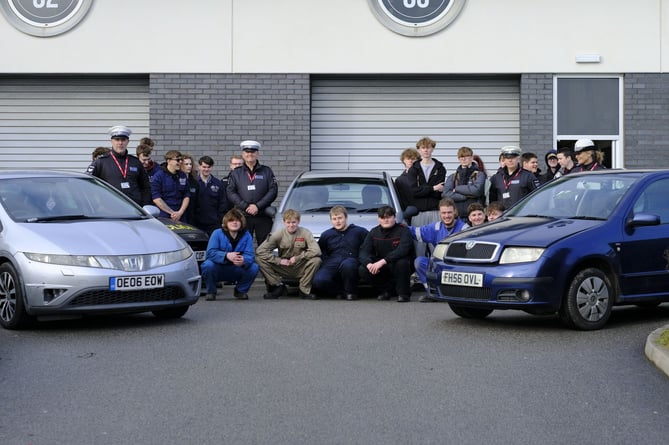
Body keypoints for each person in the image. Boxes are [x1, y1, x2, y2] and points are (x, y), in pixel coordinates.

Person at [409, 198, 468, 302]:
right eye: (443, 213)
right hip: (439, 266)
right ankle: (432, 292)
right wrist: (398, 225)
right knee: (419, 262)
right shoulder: (435, 227)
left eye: (449, 212)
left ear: (455, 211)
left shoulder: (464, 228)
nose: (446, 216)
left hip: (458, 267)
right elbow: (416, 232)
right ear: (439, 213)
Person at [256, 209, 322, 300]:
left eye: (294, 222)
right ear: (284, 222)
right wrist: (279, 261)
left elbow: (317, 250)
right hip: (283, 266)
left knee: (316, 260)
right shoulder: (278, 234)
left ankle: (304, 290)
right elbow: (260, 251)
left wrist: (298, 258)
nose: (291, 225)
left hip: (300, 265)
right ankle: (278, 286)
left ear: (298, 221)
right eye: (288, 222)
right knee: (259, 259)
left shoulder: (305, 233)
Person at [200, 208, 259, 301]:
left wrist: (244, 260)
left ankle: (240, 291)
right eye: (231, 220)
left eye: (237, 220)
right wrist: (226, 255)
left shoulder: (247, 235)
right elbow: (210, 253)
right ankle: (211, 291)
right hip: (219, 268)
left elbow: (250, 255)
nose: (234, 223)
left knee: (254, 267)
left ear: (241, 222)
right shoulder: (217, 233)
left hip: (237, 268)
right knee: (207, 265)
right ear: (226, 222)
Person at [312, 206, 369, 300]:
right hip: (332, 262)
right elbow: (321, 251)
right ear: (331, 220)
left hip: (352, 260)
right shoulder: (327, 234)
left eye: (340, 218)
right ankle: (340, 291)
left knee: (348, 265)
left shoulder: (359, 231)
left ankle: (351, 292)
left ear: (346, 217)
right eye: (334, 219)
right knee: (319, 281)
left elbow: (367, 247)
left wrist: (363, 259)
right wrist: (326, 262)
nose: (337, 221)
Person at [358, 206, 414, 303]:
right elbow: (363, 251)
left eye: (388, 217)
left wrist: (383, 261)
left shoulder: (403, 230)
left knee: (402, 263)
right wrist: (368, 264)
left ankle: (403, 294)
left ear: (394, 217)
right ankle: (386, 291)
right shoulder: (374, 232)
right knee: (363, 269)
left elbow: (403, 250)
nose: (385, 220)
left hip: (397, 264)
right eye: (382, 218)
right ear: (378, 219)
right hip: (382, 266)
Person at [227, 140, 278, 244]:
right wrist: (246, 206)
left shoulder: (266, 171)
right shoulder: (236, 173)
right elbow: (231, 192)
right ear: (243, 154)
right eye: (247, 152)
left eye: (253, 152)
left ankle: (262, 261)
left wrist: (257, 206)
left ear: (257, 154)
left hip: (263, 215)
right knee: (242, 245)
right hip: (243, 216)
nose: (250, 154)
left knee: (265, 246)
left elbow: (273, 191)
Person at [86, 125, 152, 206]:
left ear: (128, 141)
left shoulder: (135, 162)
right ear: (112, 141)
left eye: (123, 140)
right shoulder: (101, 162)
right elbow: (87, 184)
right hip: (111, 209)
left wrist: (144, 206)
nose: (120, 143)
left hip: (135, 209)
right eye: (117, 139)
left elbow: (145, 187)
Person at [407, 137, 447, 257]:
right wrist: (432, 188)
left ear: (432, 149)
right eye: (423, 148)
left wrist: (424, 190)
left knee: (437, 246)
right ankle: (419, 274)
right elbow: (414, 191)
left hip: (435, 211)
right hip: (418, 213)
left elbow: (439, 191)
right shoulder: (414, 169)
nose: (426, 150)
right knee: (419, 247)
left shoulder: (440, 168)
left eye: (428, 147)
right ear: (419, 150)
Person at [443, 146, 487, 217]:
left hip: (474, 216)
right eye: (461, 157)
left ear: (472, 158)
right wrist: (464, 197)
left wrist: (457, 189)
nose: (463, 159)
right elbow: (446, 194)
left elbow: (477, 190)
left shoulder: (479, 175)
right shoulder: (453, 177)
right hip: (457, 216)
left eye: (466, 156)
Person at [151, 150, 191, 221]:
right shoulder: (158, 176)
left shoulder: (182, 175)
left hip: (181, 215)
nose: (180, 162)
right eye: (177, 160)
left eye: (181, 160)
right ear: (168, 161)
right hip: (164, 215)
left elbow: (186, 195)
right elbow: (157, 199)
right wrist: (172, 213)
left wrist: (180, 212)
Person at [194, 155, 229, 235]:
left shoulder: (218, 183)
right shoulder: (193, 182)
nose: (206, 169)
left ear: (212, 167)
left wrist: (219, 219)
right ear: (199, 167)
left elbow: (222, 203)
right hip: (196, 223)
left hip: (213, 223)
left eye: (209, 167)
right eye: (204, 167)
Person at [394, 147, 421, 212]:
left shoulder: (423, 177)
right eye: (408, 159)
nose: (410, 161)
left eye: (413, 159)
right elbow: (400, 200)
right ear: (403, 160)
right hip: (407, 213)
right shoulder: (400, 180)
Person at [181, 154, 199, 225]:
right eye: (186, 164)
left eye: (190, 164)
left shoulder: (194, 182)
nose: (189, 166)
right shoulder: (176, 180)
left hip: (191, 216)